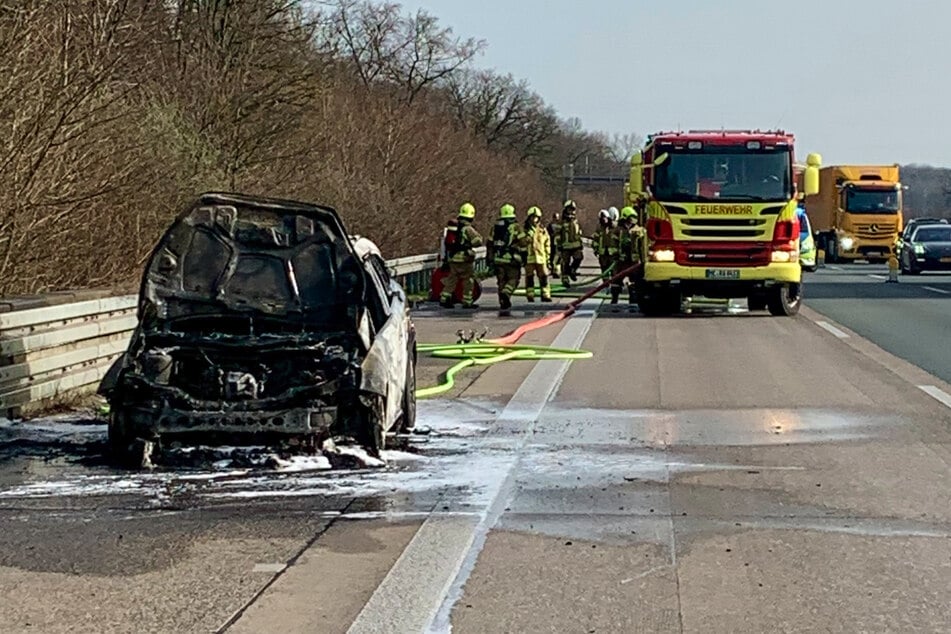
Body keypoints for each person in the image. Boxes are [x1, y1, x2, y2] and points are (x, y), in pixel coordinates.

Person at [439, 202, 484, 309]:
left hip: (453, 258)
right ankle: (467, 301)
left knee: (452, 279)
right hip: (464, 259)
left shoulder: (455, 227)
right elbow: (477, 241)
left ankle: (444, 298)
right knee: (468, 280)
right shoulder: (467, 229)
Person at [487, 203, 526, 310]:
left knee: (501, 281)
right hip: (511, 259)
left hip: (498, 259)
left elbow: (490, 244)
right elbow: (523, 243)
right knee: (514, 279)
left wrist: (489, 259)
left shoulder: (495, 228)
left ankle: (503, 302)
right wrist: (524, 256)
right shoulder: (516, 227)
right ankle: (506, 293)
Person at [611, 206, 645, 306]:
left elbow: (643, 246)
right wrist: (616, 255)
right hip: (621, 261)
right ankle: (614, 298)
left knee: (634, 281)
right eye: (630, 217)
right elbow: (614, 244)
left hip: (634, 262)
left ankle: (633, 299)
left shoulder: (639, 230)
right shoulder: (618, 230)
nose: (632, 220)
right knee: (616, 280)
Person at [523, 206, 552, 302]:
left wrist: (547, 256)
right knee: (529, 277)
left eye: (536, 217)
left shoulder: (542, 230)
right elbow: (521, 242)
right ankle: (530, 295)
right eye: (532, 217)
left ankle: (545, 295)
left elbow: (547, 243)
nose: (534, 220)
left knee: (544, 276)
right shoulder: (525, 230)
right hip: (529, 258)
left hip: (541, 258)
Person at [558, 200, 584, 286]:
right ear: (566, 210)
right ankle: (565, 279)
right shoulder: (561, 222)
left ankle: (572, 270)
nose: (572, 212)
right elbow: (557, 235)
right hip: (565, 246)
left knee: (579, 257)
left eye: (573, 210)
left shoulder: (576, 221)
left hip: (576, 246)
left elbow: (578, 234)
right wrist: (558, 245)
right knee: (565, 262)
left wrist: (580, 244)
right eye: (570, 210)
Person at [592, 208, 617, 277]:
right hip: (603, 254)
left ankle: (614, 285)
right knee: (604, 270)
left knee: (614, 270)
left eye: (604, 217)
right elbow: (595, 240)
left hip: (613, 254)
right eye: (602, 218)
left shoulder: (614, 228)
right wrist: (596, 249)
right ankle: (605, 285)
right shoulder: (599, 229)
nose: (603, 219)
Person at [546, 211, 561, 279]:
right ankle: (553, 270)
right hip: (552, 243)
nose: (556, 219)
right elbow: (547, 234)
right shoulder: (550, 225)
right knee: (553, 258)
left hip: (558, 244)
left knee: (558, 258)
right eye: (555, 217)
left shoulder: (560, 225)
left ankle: (556, 271)